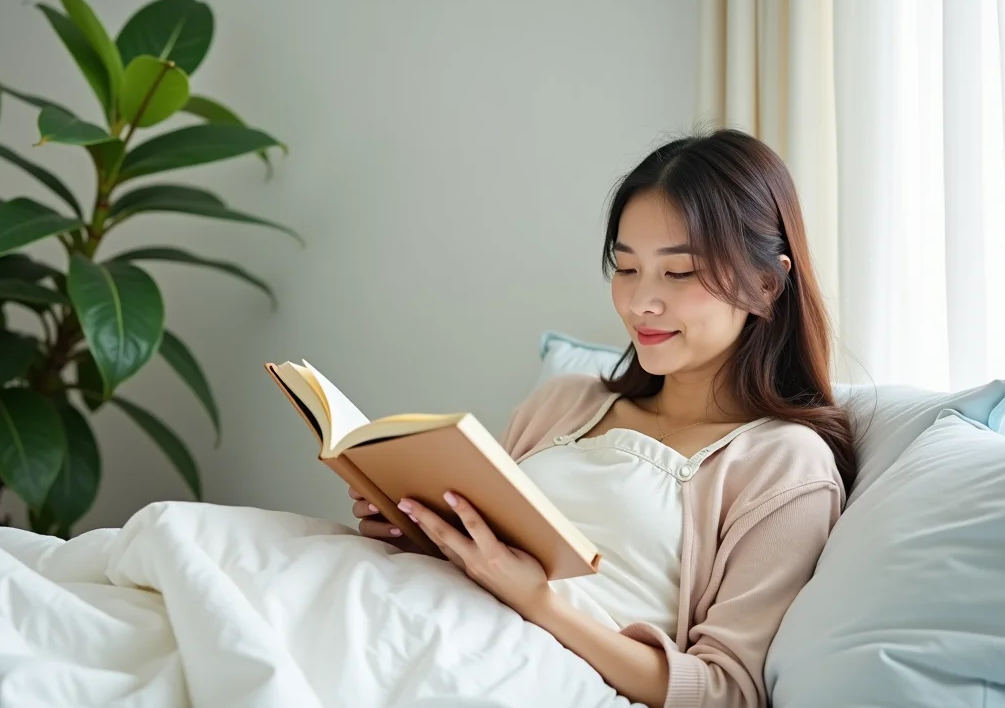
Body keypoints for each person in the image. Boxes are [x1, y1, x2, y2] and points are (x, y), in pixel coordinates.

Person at [349, 129, 853, 708]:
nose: (642, 302)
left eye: (680, 272)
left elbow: (727, 692)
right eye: (626, 267)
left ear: (766, 282)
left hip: (519, 671)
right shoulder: (563, 402)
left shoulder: (784, 462)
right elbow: (483, 565)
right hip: (419, 617)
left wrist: (541, 603)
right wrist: (419, 530)